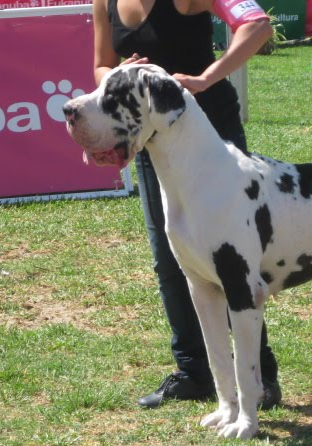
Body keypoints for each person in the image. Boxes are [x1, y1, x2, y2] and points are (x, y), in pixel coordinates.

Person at [92, 0, 281, 409]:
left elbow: (257, 26)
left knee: (236, 262)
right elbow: (101, 65)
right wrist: (123, 76)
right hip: (151, 141)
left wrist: (206, 78)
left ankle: (261, 376)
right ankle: (194, 373)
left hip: (211, 136)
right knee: (169, 258)